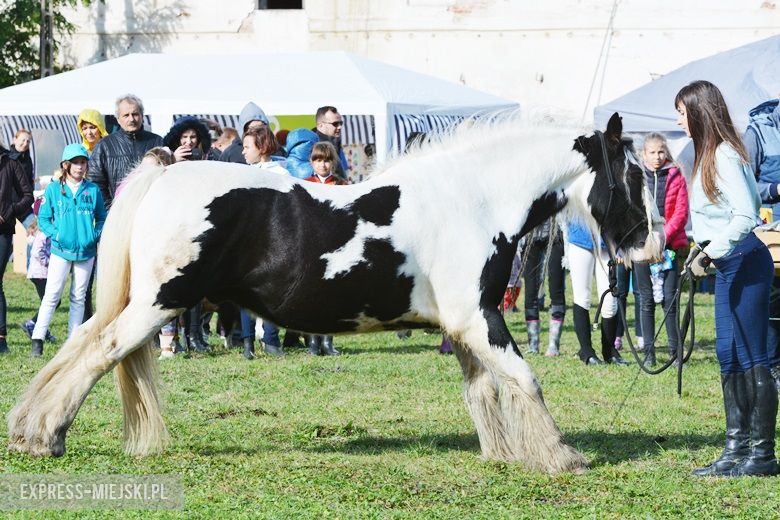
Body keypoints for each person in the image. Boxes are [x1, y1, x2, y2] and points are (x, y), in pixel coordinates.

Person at [677, 80, 777, 477]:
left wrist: (710, 251)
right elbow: (715, 217)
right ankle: (736, 449)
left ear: (699, 112)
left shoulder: (725, 155)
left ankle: (763, 455)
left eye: (682, 113)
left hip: (745, 262)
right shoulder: (707, 154)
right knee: (728, 354)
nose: (679, 121)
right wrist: (699, 247)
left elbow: (747, 213)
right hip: (727, 264)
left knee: (754, 357)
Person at [30, 144, 107, 357]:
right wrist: (57, 235)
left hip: (86, 252)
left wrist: (93, 236)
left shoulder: (93, 190)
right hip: (60, 251)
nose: (80, 167)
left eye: (83, 162)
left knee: (78, 296)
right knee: (52, 294)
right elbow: (43, 218)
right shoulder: (54, 189)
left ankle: (71, 344)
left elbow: (102, 218)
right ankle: (37, 339)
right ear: (66, 165)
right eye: (76, 163)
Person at [238, 125, 296, 359]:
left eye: (247, 147)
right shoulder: (243, 174)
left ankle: (270, 339)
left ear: (261, 148)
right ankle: (247, 342)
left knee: (271, 289)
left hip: (272, 239)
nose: (243, 152)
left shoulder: (281, 174)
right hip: (246, 239)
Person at [632, 133, 689, 367]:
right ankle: (649, 353)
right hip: (642, 246)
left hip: (669, 245)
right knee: (645, 300)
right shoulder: (635, 177)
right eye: (652, 152)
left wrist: (663, 236)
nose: (657, 157)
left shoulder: (676, 176)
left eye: (661, 152)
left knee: (670, 300)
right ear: (644, 154)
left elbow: (681, 212)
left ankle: (676, 353)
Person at [162, 117, 214, 353]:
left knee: (197, 285)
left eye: (193, 137)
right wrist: (174, 161)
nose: (189, 142)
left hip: (198, 227)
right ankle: (171, 338)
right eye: (184, 137)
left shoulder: (206, 161)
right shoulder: (168, 161)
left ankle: (195, 335)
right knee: (175, 285)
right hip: (174, 229)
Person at [743, 96, 780, 389]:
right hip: (771, 235)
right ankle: (772, 367)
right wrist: (775, 189)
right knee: (773, 301)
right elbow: (744, 184)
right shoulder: (757, 132)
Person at [304, 141, 345, 356]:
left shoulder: (341, 185)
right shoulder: (304, 184)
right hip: (311, 246)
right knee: (311, 294)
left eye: (327, 160)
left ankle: (328, 341)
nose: (323, 165)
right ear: (312, 162)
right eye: (318, 160)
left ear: (333, 163)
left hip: (335, 245)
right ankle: (312, 341)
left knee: (332, 295)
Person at [567, 221, 628, 366]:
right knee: (582, 298)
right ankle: (586, 351)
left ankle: (609, 350)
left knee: (610, 302)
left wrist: (621, 246)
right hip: (580, 238)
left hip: (608, 242)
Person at [88, 94, 163, 208]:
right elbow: (95, 182)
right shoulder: (104, 146)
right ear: (118, 119)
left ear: (142, 116)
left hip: (150, 211)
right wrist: (110, 210)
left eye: (135, 114)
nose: (131, 119)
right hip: (117, 212)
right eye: (126, 115)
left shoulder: (157, 142)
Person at [0, 143, 34, 354]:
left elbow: (28, 195)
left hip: (2, 231)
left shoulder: (10, 163)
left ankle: (1, 339)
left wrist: (8, 212)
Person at [521, 218, 566, 357]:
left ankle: (553, 345)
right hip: (530, 233)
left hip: (556, 231)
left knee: (556, 289)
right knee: (530, 292)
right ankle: (533, 345)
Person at [7, 129, 35, 227]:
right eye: (23, 140)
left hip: (23, 206)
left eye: (28, 141)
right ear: (15, 140)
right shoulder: (6, 158)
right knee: (5, 236)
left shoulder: (28, 159)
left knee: (36, 231)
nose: (25, 143)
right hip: (7, 207)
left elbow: (30, 181)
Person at [314, 106, 349, 181]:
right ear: (320, 125)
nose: (339, 127)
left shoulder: (335, 142)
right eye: (335, 124)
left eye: (341, 123)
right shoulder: (314, 146)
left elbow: (343, 171)